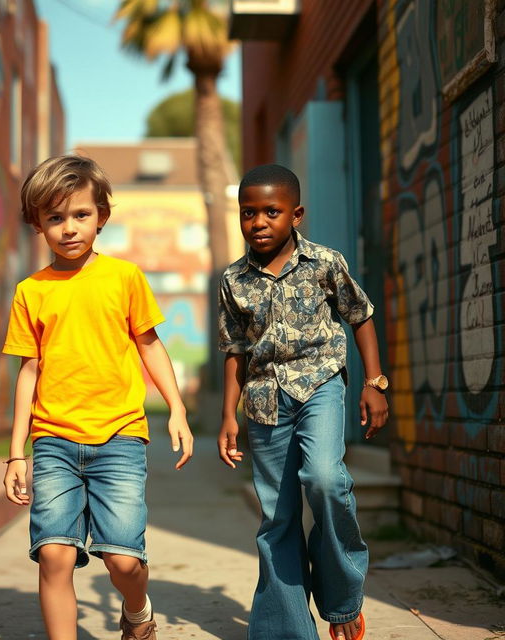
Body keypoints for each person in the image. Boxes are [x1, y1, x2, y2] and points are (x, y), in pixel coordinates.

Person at [2, 154, 193, 640]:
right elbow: (29, 370)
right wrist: (15, 453)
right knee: (54, 554)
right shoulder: (31, 291)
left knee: (124, 560)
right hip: (53, 441)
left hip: (120, 438)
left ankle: (137, 612)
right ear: (38, 224)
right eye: (55, 218)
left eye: (80, 215)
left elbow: (149, 344)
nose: (69, 228)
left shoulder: (124, 278)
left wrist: (177, 410)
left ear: (102, 216)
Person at [217, 164, 389, 640]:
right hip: (265, 399)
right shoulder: (234, 279)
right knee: (279, 515)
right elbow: (234, 351)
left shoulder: (325, 262)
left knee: (326, 479)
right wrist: (227, 416)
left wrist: (375, 382)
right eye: (247, 212)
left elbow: (361, 316)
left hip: (320, 385)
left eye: (271, 211)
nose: (258, 222)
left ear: (296, 214)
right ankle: (286, 629)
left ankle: (341, 601)